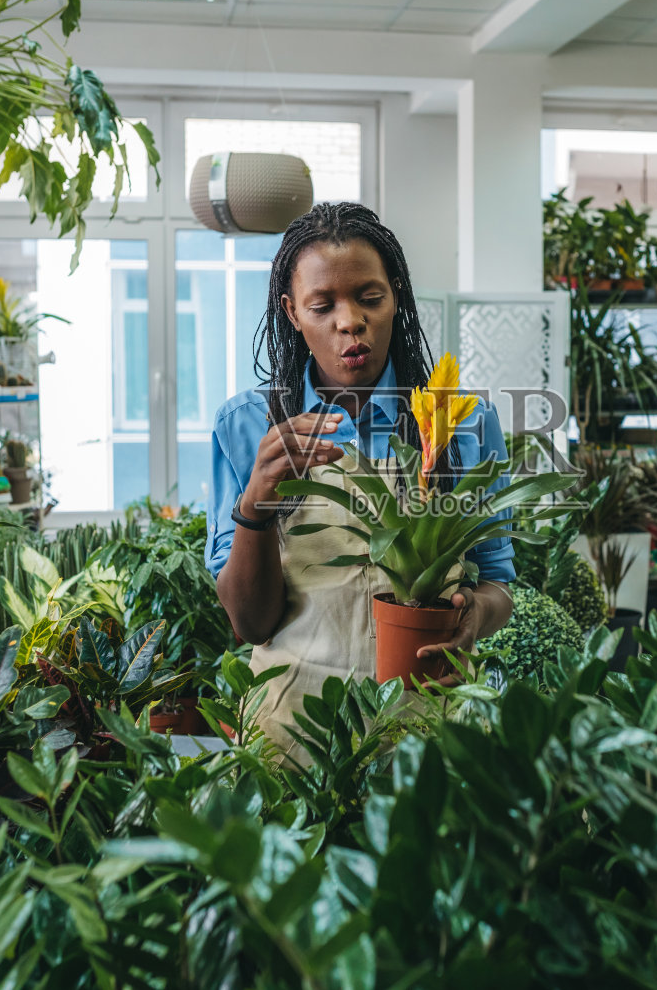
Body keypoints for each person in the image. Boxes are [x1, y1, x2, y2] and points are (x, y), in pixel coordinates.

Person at [206, 202, 516, 762]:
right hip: (292, 737)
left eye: (370, 297)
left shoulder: (462, 421)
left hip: (427, 733)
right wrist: (256, 500)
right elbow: (250, 623)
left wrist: (475, 616)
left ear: (396, 296)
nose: (350, 321)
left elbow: (497, 583)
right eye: (322, 305)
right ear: (292, 312)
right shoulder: (248, 424)